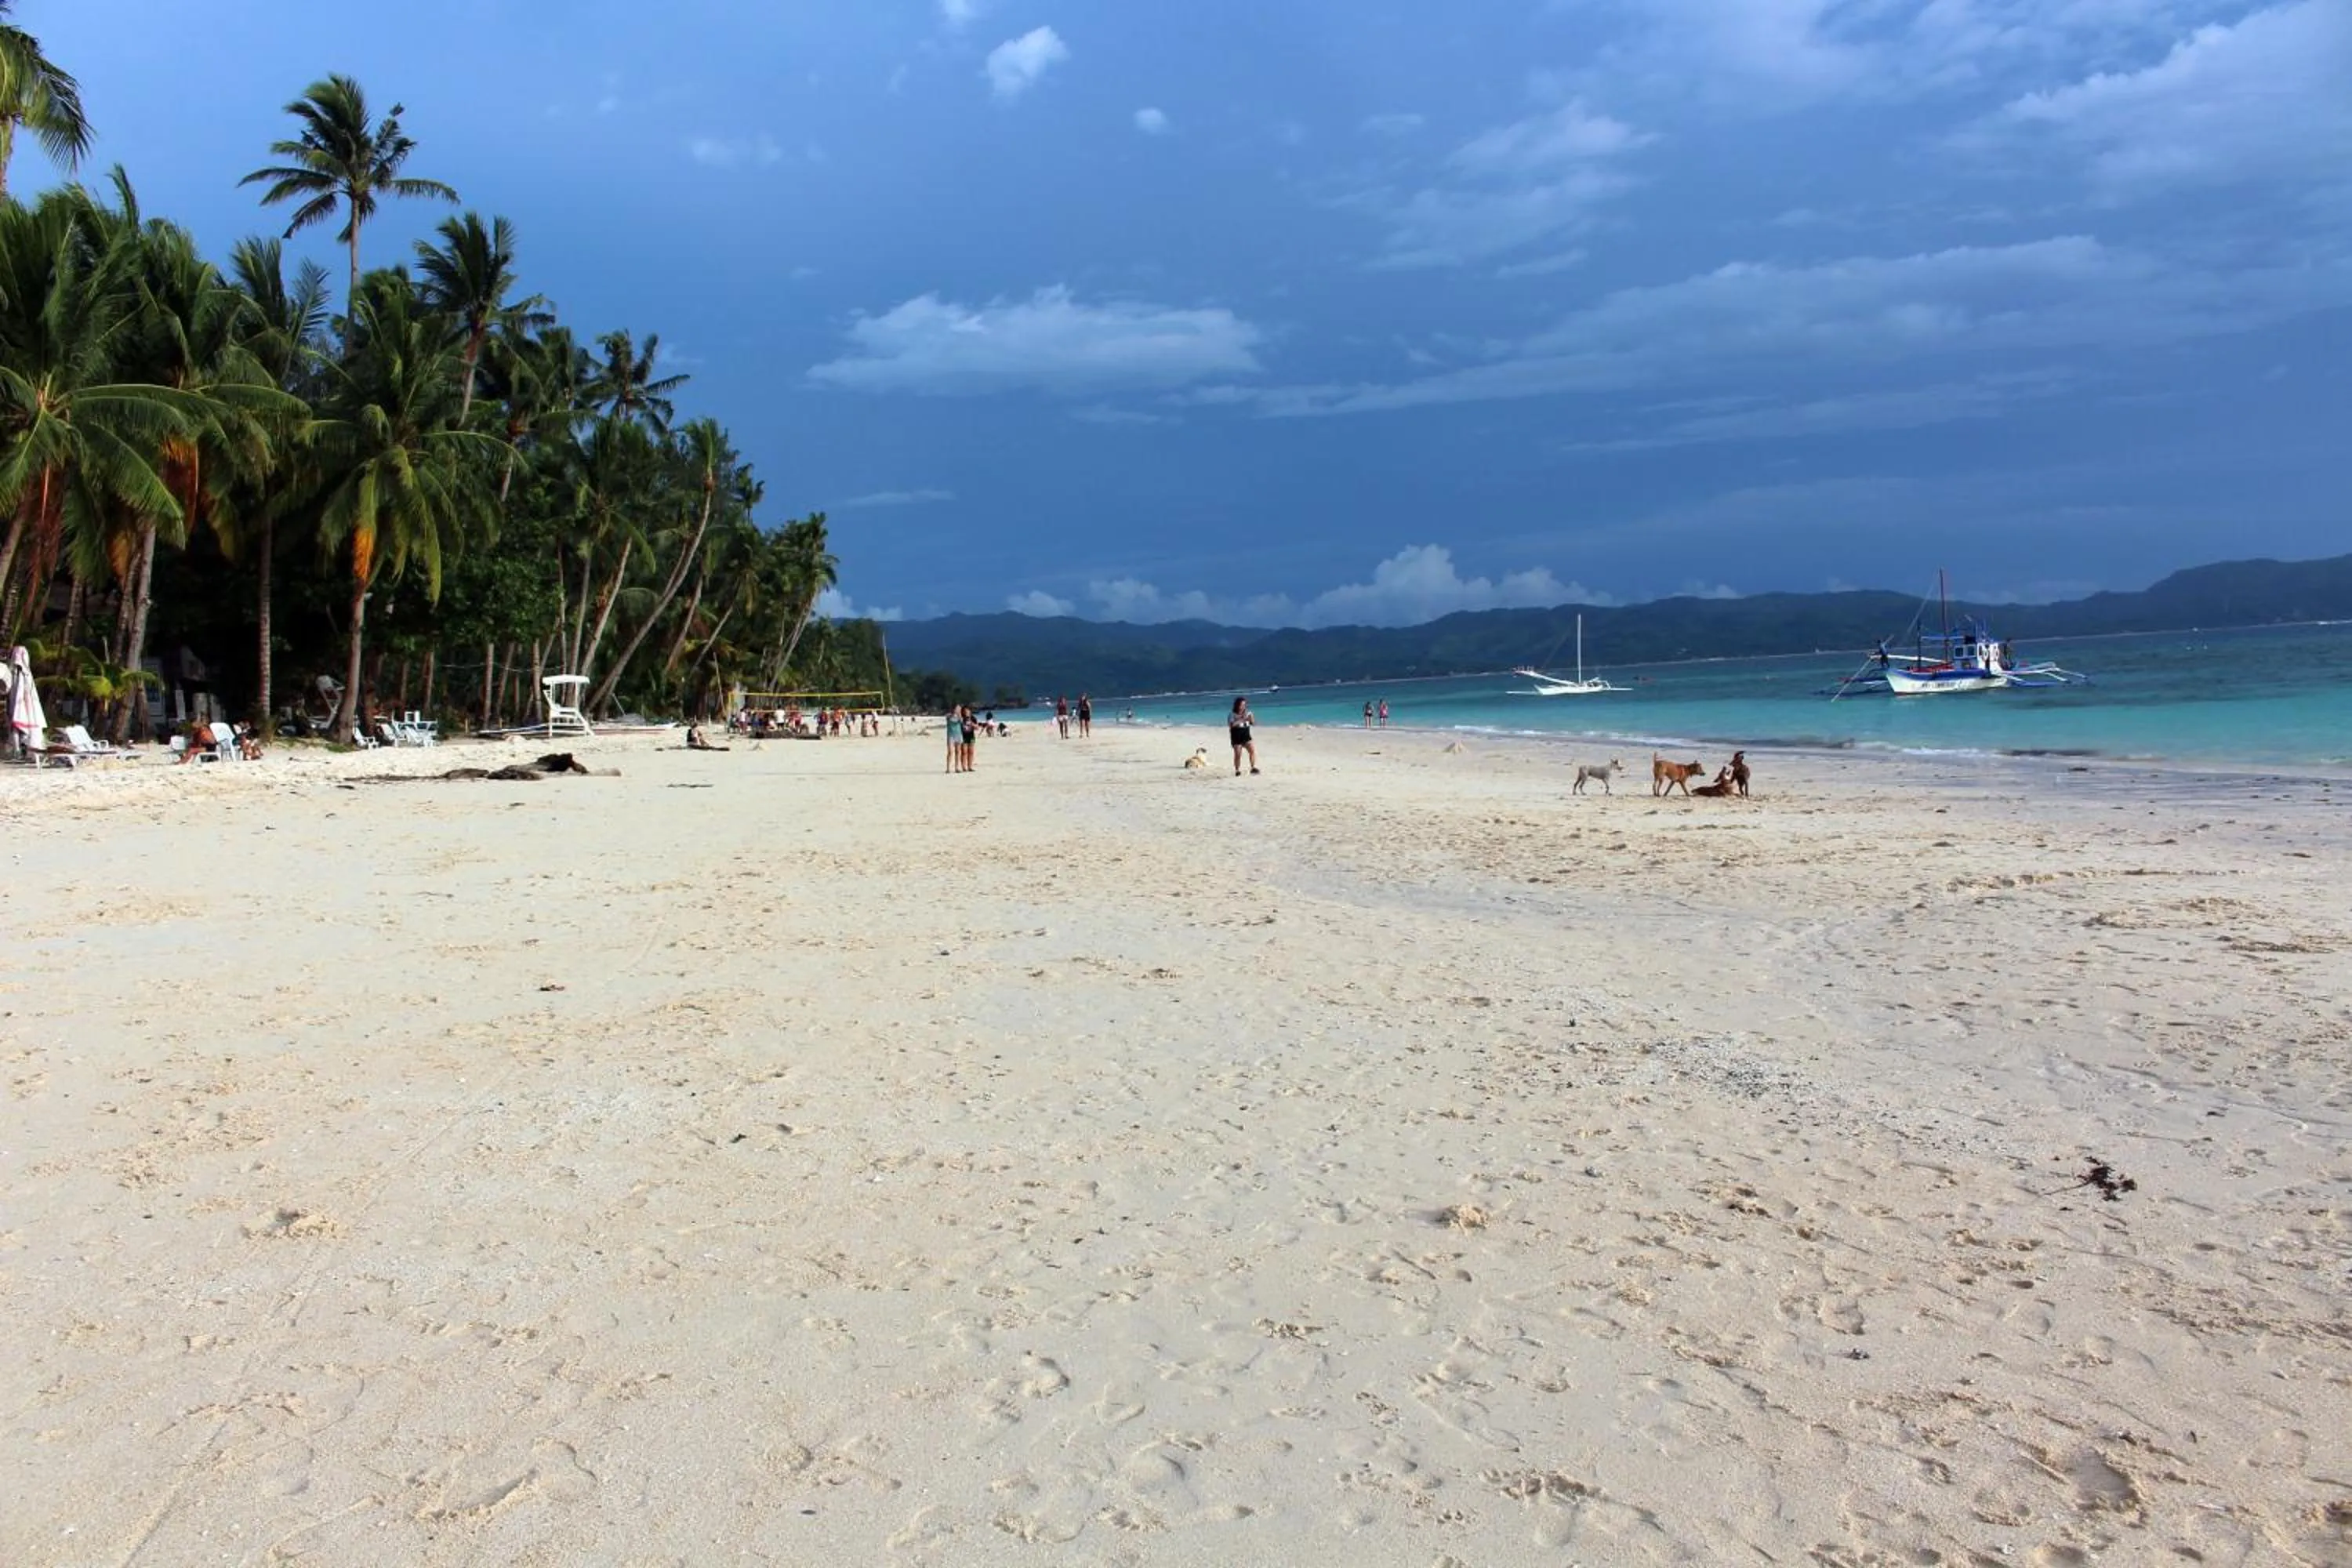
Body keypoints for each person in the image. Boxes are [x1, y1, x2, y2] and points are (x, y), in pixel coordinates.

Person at [1229, 695, 1259, 776]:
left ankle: (1253, 767)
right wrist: (1243, 719)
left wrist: (1251, 719)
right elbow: (1232, 725)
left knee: (1252, 751)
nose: (1243, 707)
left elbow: (1253, 724)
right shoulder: (1232, 714)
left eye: (1244, 705)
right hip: (1236, 737)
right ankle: (1237, 770)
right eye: (1241, 705)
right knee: (1238, 754)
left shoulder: (1248, 713)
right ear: (1237, 705)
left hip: (1246, 735)